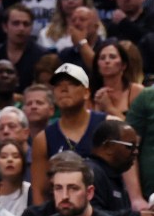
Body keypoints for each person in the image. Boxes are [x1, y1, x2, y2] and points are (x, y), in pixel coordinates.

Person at [30, 64, 109, 205]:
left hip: (106, 211)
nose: (64, 89)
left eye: (72, 84)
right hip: (64, 215)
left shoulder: (108, 126)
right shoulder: (43, 139)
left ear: (86, 92)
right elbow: (40, 191)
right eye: (58, 85)